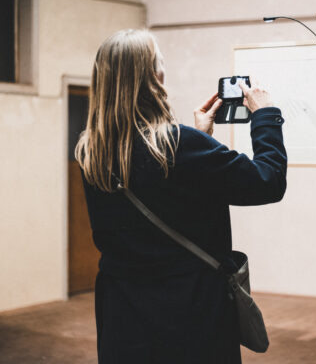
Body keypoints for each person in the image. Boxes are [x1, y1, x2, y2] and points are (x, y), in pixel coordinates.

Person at [75, 29, 287, 364]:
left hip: (124, 317)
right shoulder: (181, 146)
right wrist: (265, 117)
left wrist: (198, 138)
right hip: (191, 314)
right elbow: (267, 181)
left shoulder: (92, 151)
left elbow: (156, 185)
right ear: (154, 79)